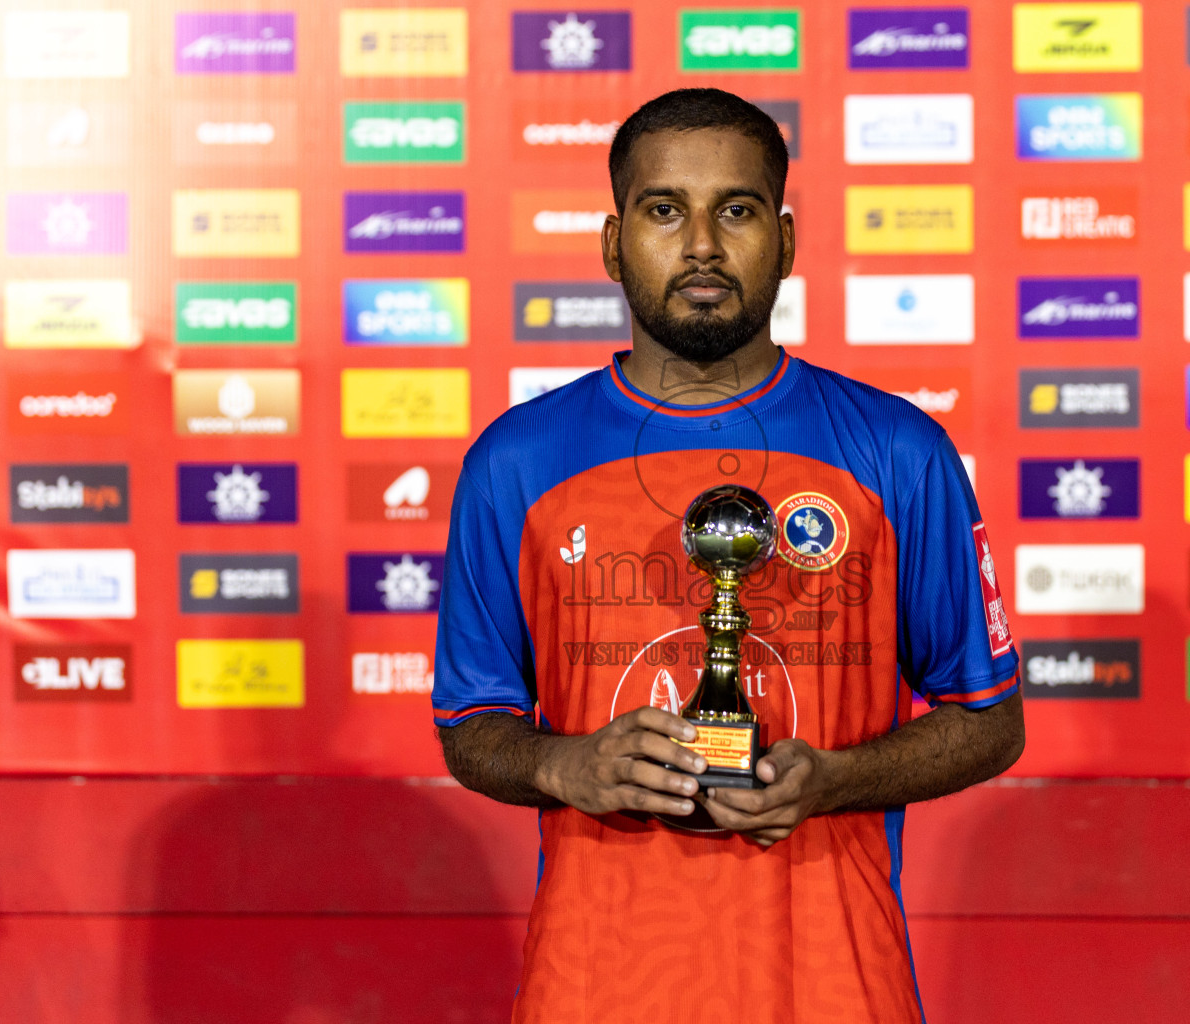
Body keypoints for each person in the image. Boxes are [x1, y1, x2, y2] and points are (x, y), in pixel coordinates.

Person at [434, 88, 1024, 1024]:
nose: (702, 245)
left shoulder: (899, 450)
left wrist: (834, 781)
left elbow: (990, 721)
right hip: (596, 990)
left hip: (833, 985)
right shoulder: (515, 462)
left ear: (784, 242)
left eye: (737, 210)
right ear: (613, 243)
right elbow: (471, 726)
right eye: (665, 210)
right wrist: (564, 766)